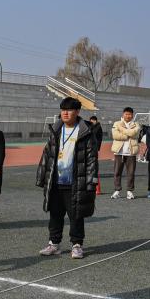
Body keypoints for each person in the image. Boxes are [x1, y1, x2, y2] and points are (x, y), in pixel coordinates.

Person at [36, 97, 98, 259]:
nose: (65, 113)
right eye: (63, 109)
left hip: (75, 182)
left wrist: (91, 182)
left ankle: (77, 245)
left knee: (76, 215)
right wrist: (41, 176)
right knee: (55, 214)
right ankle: (54, 243)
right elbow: (47, 154)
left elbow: (92, 159)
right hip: (56, 181)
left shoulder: (85, 131)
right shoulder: (56, 130)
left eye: (69, 110)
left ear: (77, 112)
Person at [110, 106, 141, 200]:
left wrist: (122, 130)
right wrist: (128, 134)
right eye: (126, 114)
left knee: (131, 173)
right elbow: (115, 135)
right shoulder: (117, 123)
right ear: (123, 114)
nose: (128, 116)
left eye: (130, 114)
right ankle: (117, 190)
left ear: (132, 115)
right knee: (117, 172)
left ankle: (129, 191)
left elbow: (134, 134)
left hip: (131, 152)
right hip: (119, 152)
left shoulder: (136, 124)